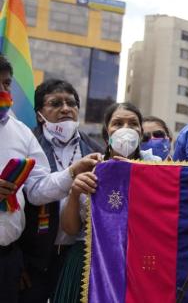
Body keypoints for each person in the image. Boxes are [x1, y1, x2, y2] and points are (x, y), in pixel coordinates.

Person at [0, 56, 98, 303]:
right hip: (34, 258)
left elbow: (36, 189)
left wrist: (72, 172)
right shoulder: (34, 135)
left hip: (21, 258)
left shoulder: (19, 133)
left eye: (7, 84)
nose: (66, 109)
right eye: (56, 103)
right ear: (40, 114)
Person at [53, 102, 160, 303]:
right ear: (106, 133)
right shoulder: (90, 168)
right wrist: (76, 192)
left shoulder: (157, 168)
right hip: (88, 265)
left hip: (137, 265)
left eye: (133, 124)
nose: (125, 129)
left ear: (141, 132)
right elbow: (70, 229)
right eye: (117, 124)